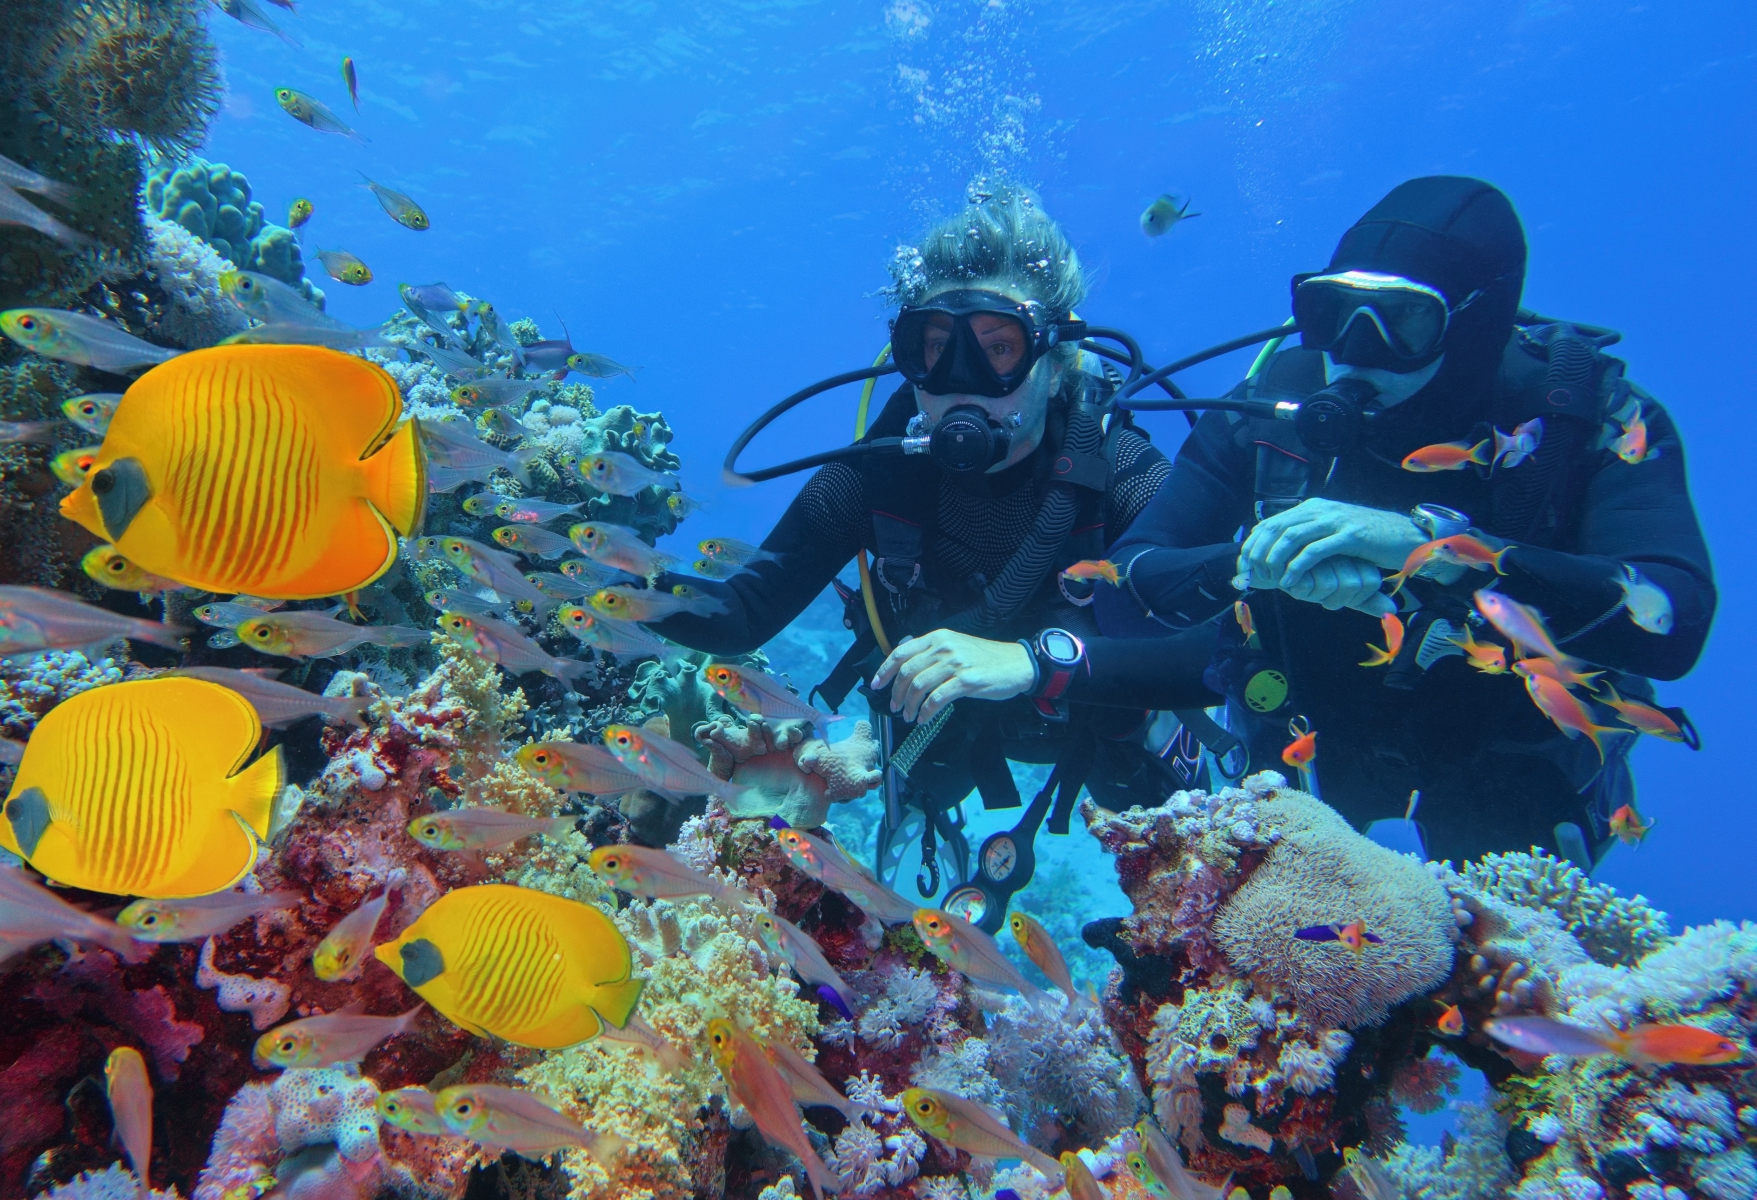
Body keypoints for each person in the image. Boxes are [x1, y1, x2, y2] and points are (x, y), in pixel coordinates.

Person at [1102, 176, 1714, 867]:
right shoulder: (1271, 411)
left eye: (1406, 320)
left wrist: (1445, 551)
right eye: (1333, 312)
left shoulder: (1583, 421)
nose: (1356, 350)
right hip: (1304, 742)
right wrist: (1253, 559)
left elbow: (1676, 619)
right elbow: (1119, 592)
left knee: (1498, 958)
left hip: (1507, 755)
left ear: (1476, 322)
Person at [655, 189, 1221, 925]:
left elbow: (1224, 643)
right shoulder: (872, 474)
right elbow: (739, 614)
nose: (959, 384)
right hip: (941, 715)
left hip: (1091, 707)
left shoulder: (1124, 474)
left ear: (1054, 358)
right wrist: (607, 577)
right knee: (916, 785)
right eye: (932, 349)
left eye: (998, 351)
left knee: (1159, 817)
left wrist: (1037, 662)